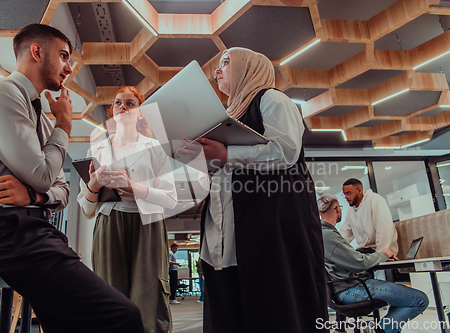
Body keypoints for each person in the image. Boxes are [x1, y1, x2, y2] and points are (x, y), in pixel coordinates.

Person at [0, 24, 143, 333]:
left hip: (33, 228)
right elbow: (43, 176)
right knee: (124, 316)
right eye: (64, 56)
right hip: (4, 233)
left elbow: (62, 190)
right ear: (37, 52)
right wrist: (65, 124)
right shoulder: (1, 92)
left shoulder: (40, 117)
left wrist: (34, 197)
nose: (69, 68)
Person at [178, 47, 328, 333]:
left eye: (225, 62)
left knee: (275, 312)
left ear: (249, 67)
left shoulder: (271, 98)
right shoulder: (224, 116)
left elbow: (286, 151)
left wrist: (226, 155)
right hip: (224, 240)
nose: (217, 71)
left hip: (266, 233)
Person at [77, 86, 177, 333]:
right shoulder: (96, 150)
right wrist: (93, 184)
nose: (122, 107)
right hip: (109, 223)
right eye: (117, 103)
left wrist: (133, 187)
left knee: (149, 296)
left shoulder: (154, 147)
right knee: (110, 293)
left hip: (148, 226)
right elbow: (87, 209)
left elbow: (171, 197)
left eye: (130, 103)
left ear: (140, 113)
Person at [318, 194, 429, 333]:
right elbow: (360, 263)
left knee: (402, 299)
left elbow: (353, 259)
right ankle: (379, 329)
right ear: (337, 209)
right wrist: (383, 254)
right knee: (420, 300)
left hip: (344, 288)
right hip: (350, 290)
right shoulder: (328, 235)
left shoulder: (322, 233)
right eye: (340, 206)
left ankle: (382, 329)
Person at [341, 178, 398, 255]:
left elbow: (384, 229)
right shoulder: (350, 212)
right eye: (344, 194)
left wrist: (381, 255)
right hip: (365, 252)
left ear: (360, 190)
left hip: (379, 250)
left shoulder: (375, 200)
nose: (346, 197)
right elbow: (343, 236)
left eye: (348, 193)